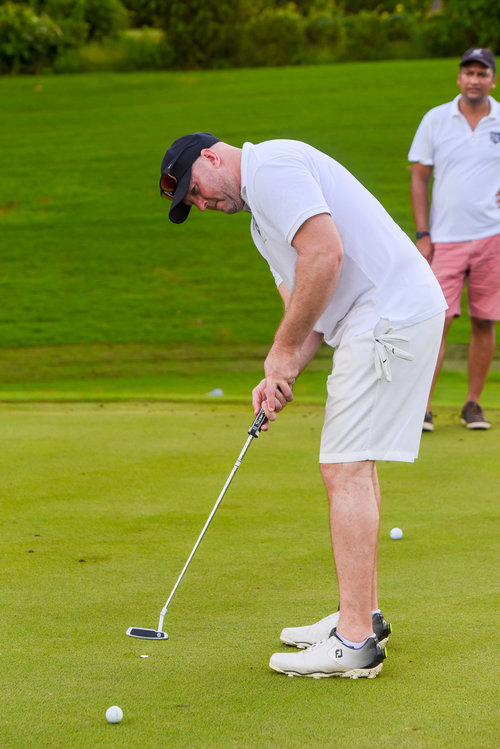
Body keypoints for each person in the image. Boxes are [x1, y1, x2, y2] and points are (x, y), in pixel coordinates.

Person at [160, 132, 446, 679]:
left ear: (211, 158)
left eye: (194, 191)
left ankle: (355, 642)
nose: (201, 204)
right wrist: (280, 372)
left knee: (344, 468)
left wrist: (283, 351)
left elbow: (325, 254)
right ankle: (362, 615)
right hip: (381, 317)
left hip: (387, 317)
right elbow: (307, 309)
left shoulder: (271, 167)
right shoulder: (260, 222)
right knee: (354, 464)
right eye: (191, 203)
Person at [409, 48, 500, 432]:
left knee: (484, 320)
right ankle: (422, 408)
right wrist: (423, 234)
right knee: (438, 321)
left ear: (492, 80)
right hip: (444, 238)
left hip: (492, 237)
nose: (474, 79)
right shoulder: (435, 119)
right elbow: (419, 176)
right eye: (469, 73)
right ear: (459, 78)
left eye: (482, 73)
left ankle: (473, 405)